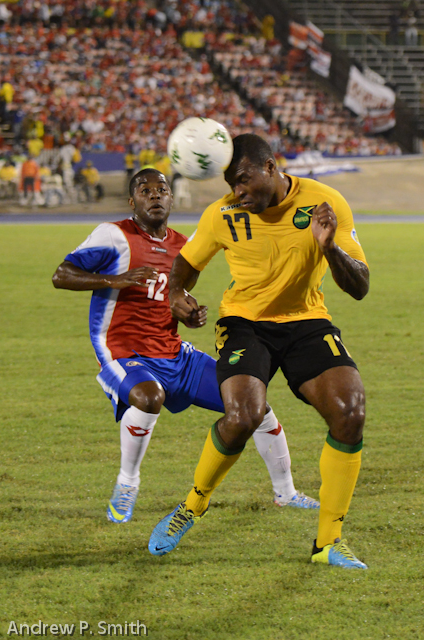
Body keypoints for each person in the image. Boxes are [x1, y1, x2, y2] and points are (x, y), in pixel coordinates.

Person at [148, 134, 370, 569]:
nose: (239, 192)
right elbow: (187, 264)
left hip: (306, 321)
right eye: (232, 183)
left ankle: (328, 543)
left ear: (272, 167)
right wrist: (177, 295)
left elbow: (360, 286)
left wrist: (331, 248)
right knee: (243, 416)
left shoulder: (325, 203)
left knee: (351, 412)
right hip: (243, 323)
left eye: (245, 180)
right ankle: (191, 506)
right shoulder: (222, 214)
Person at [52, 168, 319, 525]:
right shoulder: (113, 235)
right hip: (122, 350)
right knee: (149, 398)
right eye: (145, 191)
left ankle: (286, 493)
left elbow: (171, 295)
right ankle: (127, 484)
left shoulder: (183, 246)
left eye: (161, 189)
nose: (155, 195)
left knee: (254, 408)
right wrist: (117, 279)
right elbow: (62, 275)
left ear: (172, 198)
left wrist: (189, 313)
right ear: (132, 201)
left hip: (175, 351)